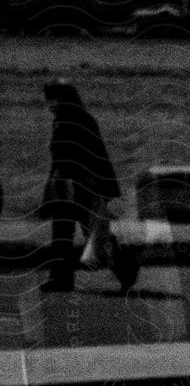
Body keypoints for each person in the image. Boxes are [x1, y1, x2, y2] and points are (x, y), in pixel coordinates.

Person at [38, 82, 121, 294]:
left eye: (53, 100)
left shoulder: (74, 122)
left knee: (88, 232)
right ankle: (62, 278)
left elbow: (82, 157)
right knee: (68, 233)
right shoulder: (71, 120)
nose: (50, 105)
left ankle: (122, 268)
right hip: (69, 186)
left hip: (80, 187)